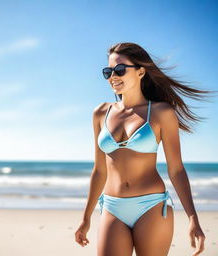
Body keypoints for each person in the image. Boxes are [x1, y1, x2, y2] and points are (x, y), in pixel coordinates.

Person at [75, 42, 214, 256]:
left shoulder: (161, 113)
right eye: (108, 71)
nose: (113, 76)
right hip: (112, 207)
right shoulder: (101, 113)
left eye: (120, 70)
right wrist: (85, 218)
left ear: (141, 71)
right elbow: (99, 170)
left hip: (150, 206)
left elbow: (176, 169)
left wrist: (193, 217)